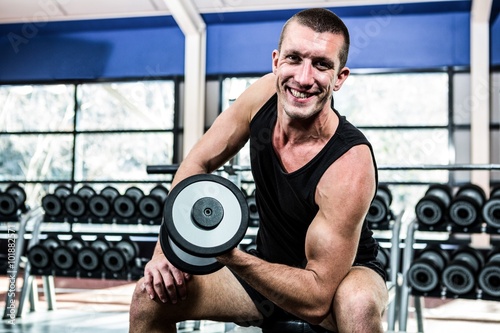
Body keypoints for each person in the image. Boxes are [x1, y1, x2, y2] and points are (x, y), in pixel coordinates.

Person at [129, 8, 388, 333]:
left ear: (339, 78)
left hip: (336, 281)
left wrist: (229, 255)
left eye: (321, 64)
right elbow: (197, 162)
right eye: (294, 59)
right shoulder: (262, 96)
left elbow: (316, 299)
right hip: (265, 268)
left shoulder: (350, 163)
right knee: (149, 296)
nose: (304, 78)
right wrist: (166, 251)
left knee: (358, 303)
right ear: (276, 61)